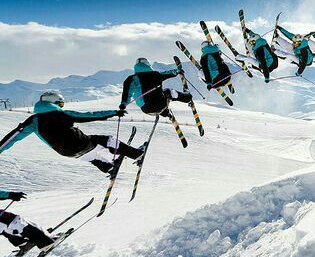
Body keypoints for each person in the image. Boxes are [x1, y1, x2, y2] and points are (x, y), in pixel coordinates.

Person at [0, 91, 142, 174]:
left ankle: (109, 168)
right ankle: (136, 154)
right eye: (60, 104)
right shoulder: (63, 114)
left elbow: (14, 137)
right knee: (106, 140)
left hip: (64, 152)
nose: (62, 106)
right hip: (80, 142)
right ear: (54, 103)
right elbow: (89, 115)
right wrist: (113, 113)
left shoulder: (33, 120)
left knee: (88, 156)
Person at [120, 58, 192, 116]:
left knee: (158, 97)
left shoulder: (132, 79)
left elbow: (127, 92)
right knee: (168, 92)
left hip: (146, 109)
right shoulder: (156, 74)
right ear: (148, 65)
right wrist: (177, 71)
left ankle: (165, 113)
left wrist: (123, 105)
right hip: (160, 105)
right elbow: (167, 74)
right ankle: (187, 97)